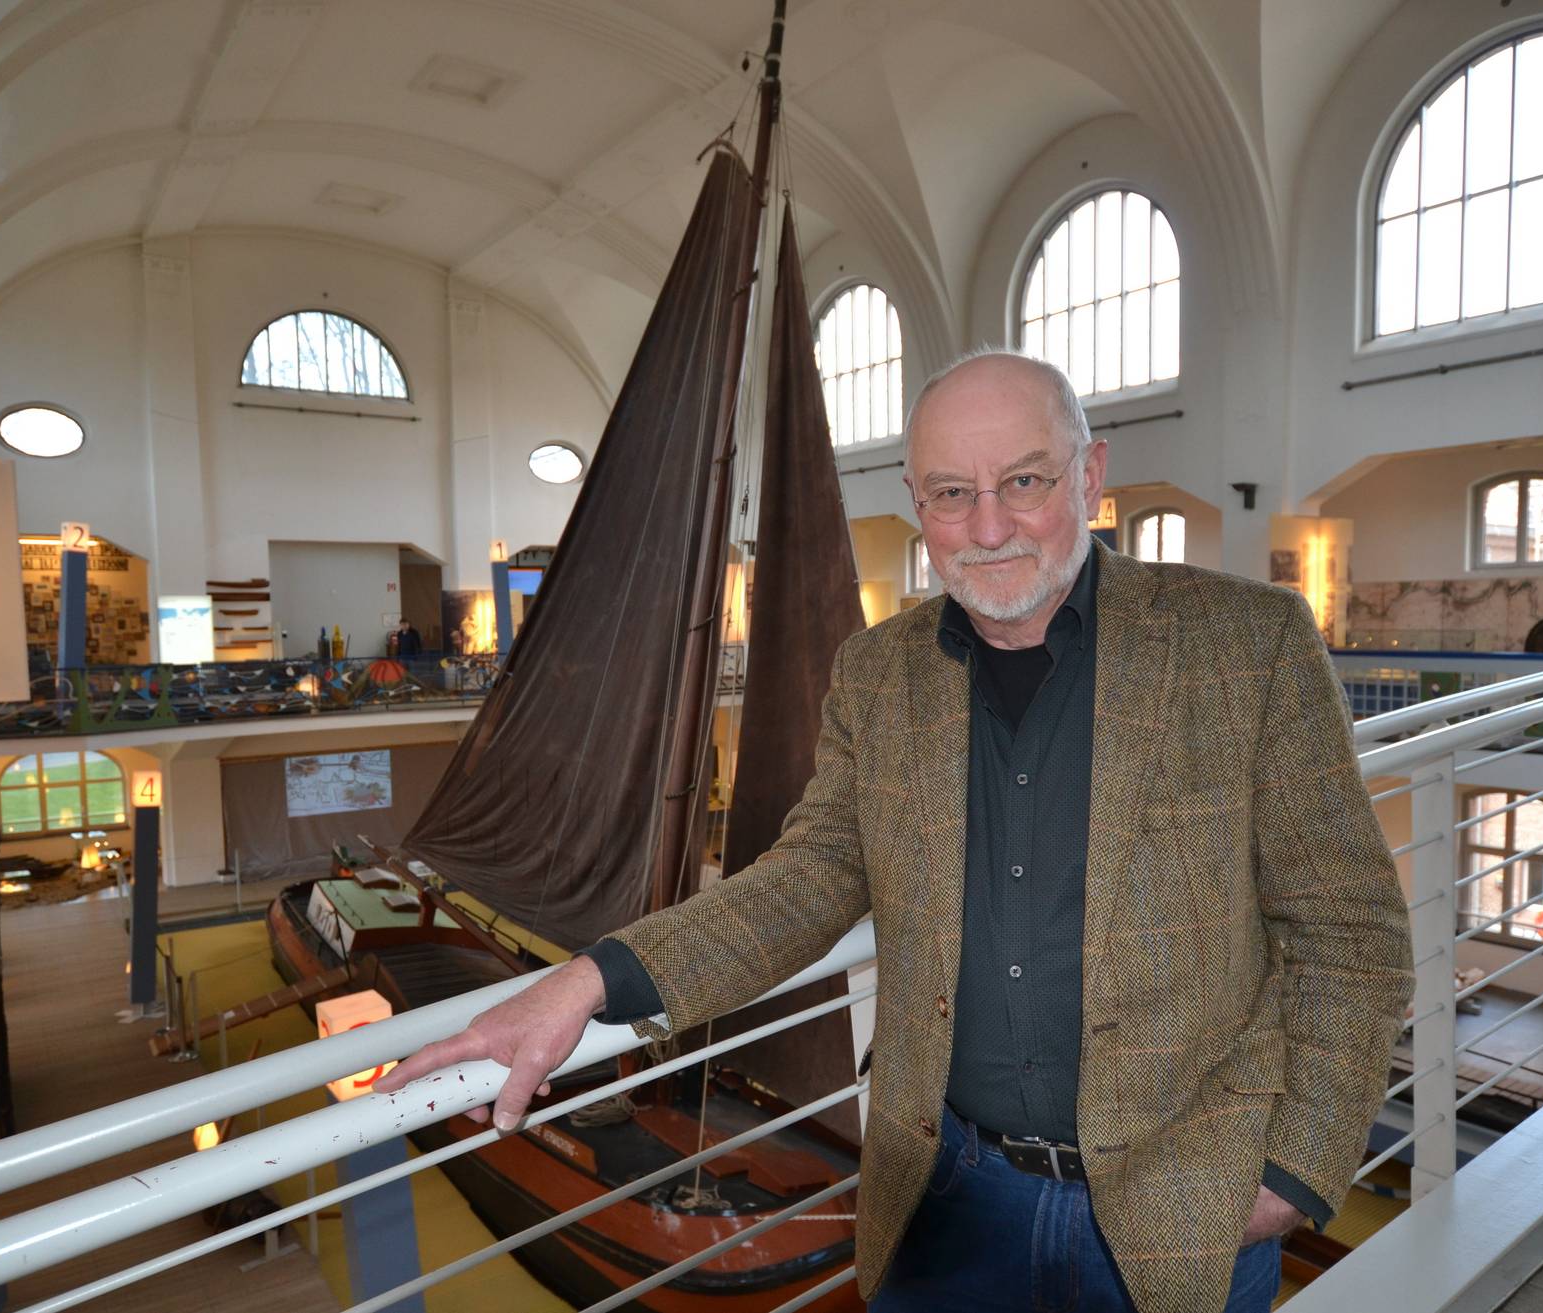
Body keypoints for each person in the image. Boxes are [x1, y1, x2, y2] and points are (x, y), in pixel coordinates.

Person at [377, 350, 1412, 1313]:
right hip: (949, 1194)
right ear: (918, 505)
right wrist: (586, 983)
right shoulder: (878, 672)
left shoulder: (1248, 646)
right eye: (952, 493)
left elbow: (1349, 934)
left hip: (1190, 1194)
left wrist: (1290, 1172)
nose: (989, 524)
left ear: (1091, 476)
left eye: (1026, 480)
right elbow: (808, 879)